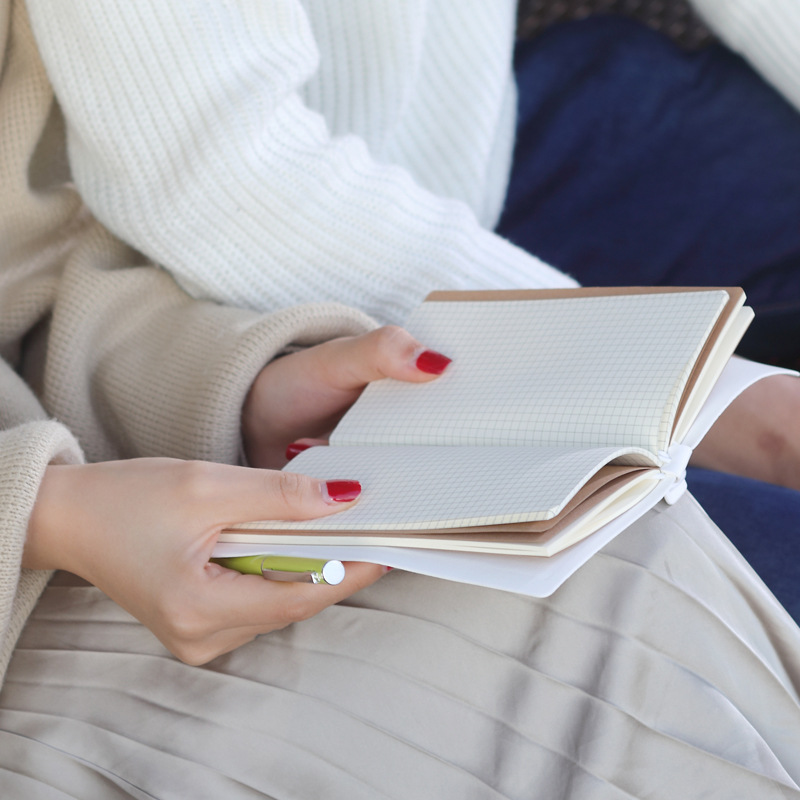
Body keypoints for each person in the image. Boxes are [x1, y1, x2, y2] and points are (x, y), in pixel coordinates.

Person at [2, 0, 800, 795]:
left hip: (471, 141)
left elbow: (32, 279)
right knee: (682, 600)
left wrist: (237, 388)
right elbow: (216, 172)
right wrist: (46, 510)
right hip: (279, 242)